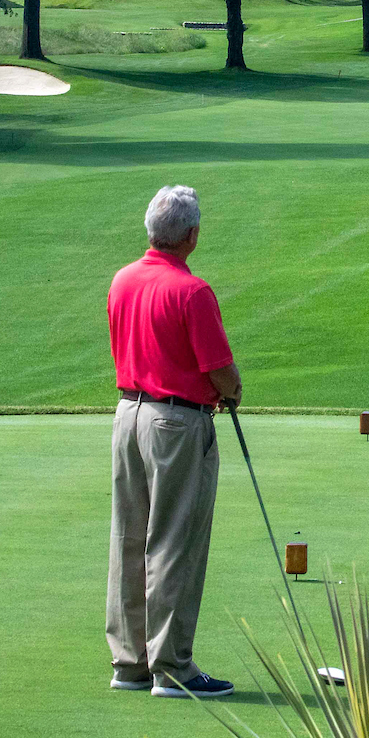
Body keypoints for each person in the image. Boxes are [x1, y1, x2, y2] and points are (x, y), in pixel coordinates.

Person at [104, 184, 239, 697]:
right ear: (192, 235)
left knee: (130, 538)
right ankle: (172, 666)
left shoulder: (123, 279)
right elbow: (219, 370)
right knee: (174, 540)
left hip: (128, 415)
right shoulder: (192, 291)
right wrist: (234, 392)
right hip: (176, 423)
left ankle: (131, 663)